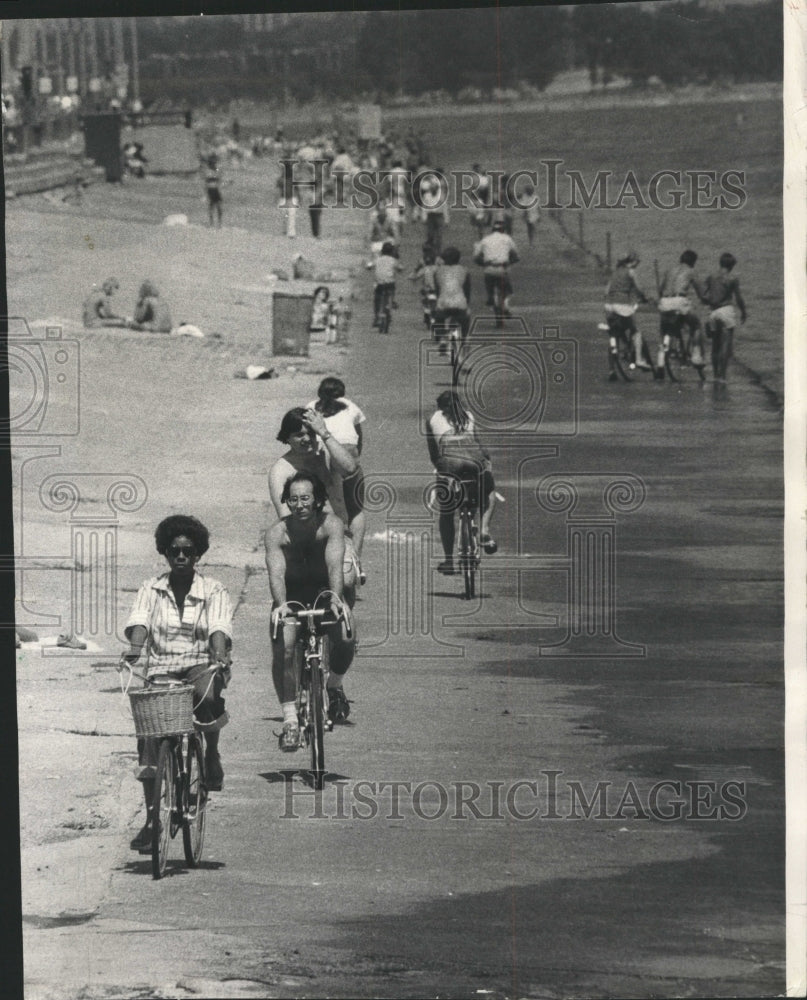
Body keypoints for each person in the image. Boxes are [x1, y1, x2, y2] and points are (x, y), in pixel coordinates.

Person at [119, 515, 233, 852]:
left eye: (187, 550)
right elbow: (139, 621)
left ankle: (211, 755)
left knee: (207, 697)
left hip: (201, 663)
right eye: (174, 551)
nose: (180, 556)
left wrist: (219, 655)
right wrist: (135, 650)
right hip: (162, 666)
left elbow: (219, 628)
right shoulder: (150, 588)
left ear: (198, 554)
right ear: (165, 554)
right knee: (149, 736)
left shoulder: (213, 589)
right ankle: (153, 818)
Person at [265, 471, 356, 749]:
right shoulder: (277, 533)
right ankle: (290, 719)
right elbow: (277, 575)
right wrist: (281, 605)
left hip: (324, 591)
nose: (300, 504)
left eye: (306, 498)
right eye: (293, 500)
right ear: (287, 502)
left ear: (317, 500)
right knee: (286, 647)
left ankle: (334, 685)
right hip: (291, 595)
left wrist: (336, 599)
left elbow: (334, 565)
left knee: (345, 635)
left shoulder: (331, 525)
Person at [426, 390, 498, 575]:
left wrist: (441, 469)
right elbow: (480, 445)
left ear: (441, 408)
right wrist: (486, 463)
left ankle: (449, 560)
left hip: (450, 461)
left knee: (446, 511)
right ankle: (484, 529)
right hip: (473, 459)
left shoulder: (433, 419)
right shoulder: (469, 416)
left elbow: (434, 452)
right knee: (489, 491)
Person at [308, 377, 367, 578]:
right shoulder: (351, 406)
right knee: (356, 508)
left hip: (323, 453)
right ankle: (354, 560)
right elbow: (359, 437)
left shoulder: (310, 407)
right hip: (347, 453)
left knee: (326, 505)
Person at [604, 250, 652, 372]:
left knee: (614, 334)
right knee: (636, 331)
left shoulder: (614, 273)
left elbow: (606, 291)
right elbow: (639, 288)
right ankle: (639, 359)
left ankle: (611, 370)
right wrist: (645, 298)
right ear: (632, 262)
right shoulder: (631, 272)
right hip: (622, 305)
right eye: (637, 262)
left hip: (609, 306)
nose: (638, 264)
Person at [703, 252, 747, 384]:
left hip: (713, 312)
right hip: (726, 311)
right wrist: (744, 312)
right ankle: (722, 377)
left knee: (715, 346)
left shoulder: (711, 277)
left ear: (720, 263)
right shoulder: (732, 278)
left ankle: (715, 375)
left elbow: (704, 295)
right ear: (732, 265)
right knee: (725, 346)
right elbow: (738, 298)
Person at [474, 215, 519, 316]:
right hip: (502, 268)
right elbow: (516, 255)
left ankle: (490, 297)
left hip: (489, 269)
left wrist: (483, 263)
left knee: (489, 285)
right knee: (508, 291)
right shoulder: (507, 239)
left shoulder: (485, 240)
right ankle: (505, 306)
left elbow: (476, 257)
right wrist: (510, 262)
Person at [433, 246, 471, 349]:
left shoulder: (438, 271)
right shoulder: (464, 271)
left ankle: (442, 339)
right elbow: (467, 290)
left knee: (439, 319)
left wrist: (438, 301)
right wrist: (467, 304)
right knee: (465, 320)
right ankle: (465, 339)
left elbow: (438, 289)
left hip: (444, 303)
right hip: (460, 303)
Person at [409, 244, 440, 329]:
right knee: (435, 303)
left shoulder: (423, 265)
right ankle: (433, 317)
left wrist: (412, 277)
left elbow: (416, 273)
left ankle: (427, 312)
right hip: (436, 288)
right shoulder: (438, 264)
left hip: (427, 287)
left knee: (424, 300)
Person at [372, 241, 401, 329]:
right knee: (392, 290)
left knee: (377, 298)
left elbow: (369, 265)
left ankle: (377, 316)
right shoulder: (393, 260)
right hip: (390, 284)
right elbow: (400, 267)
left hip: (379, 284)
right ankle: (392, 301)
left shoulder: (377, 259)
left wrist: (368, 266)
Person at [204, 155, 223, 227]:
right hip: (211, 189)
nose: (215, 164)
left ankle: (218, 223)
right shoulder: (208, 171)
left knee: (218, 206)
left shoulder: (216, 170)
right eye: (213, 163)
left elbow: (219, 179)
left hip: (215, 189)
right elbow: (209, 180)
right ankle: (212, 222)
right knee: (213, 206)